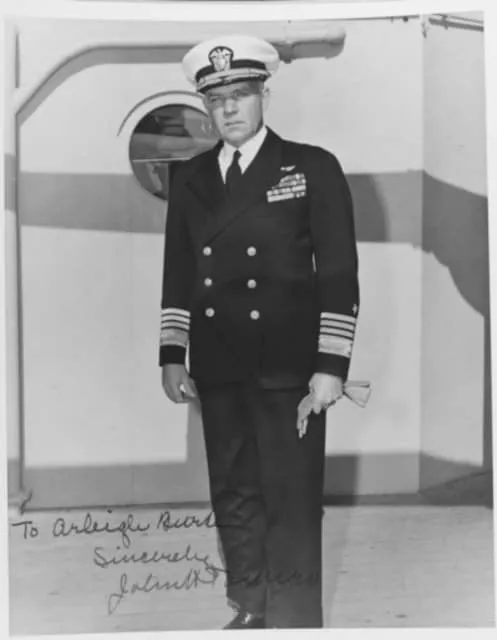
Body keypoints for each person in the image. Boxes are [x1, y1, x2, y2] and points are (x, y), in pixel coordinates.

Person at [159, 34, 360, 629]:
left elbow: (339, 273)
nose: (229, 109)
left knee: (291, 499)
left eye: (240, 95)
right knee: (234, 492)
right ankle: (250, 606)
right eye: (217, 100)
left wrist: (331, 366)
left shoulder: (311, 167)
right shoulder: (190, 176)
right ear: (206, 105)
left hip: (289, 369)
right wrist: (173, 352)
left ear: (264, 96)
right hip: (219, 365)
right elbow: (178, 269)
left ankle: (294, 620)